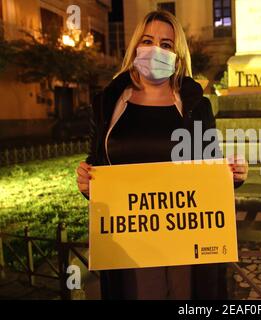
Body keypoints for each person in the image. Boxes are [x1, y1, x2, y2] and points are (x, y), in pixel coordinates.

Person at [75, 10, 248, 300]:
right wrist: (86, 183)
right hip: (128, 245)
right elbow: (97, 168)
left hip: (186, 244)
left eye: (166, 44)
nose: (155, 49)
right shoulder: (107, 103)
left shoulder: (196, 106)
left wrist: (234, 175)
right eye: (148, 40)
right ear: (135, 47)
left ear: (177, 55)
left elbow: (211, 173)